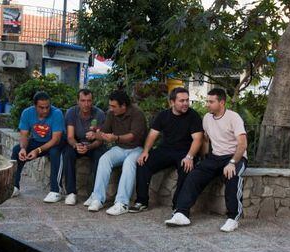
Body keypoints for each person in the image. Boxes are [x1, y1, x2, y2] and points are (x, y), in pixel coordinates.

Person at [165, 88, 248, 232]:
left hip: (234, 156)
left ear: (221, 102)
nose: (207, 104)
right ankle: (181, 213)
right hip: (215, 157)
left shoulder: (233, 117)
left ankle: (233, 218)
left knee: (232, 176)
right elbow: (205, 141)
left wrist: (233, 162)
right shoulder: (207, 118)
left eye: (211, 102)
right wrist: (203, 160)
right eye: (207, 101)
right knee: (194, 175)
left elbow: (243, 144)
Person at [129, 87, 203, 213]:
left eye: (187, 100)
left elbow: (198, 139)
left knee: (186, 168)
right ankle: (141, 201)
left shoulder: (193, 115)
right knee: (143, 163)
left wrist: (190, 157)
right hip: (166, 149)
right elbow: (152, 135)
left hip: (185, 152)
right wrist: (146, 151)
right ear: (172, 102)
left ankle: (178, 206)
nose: (185, 103)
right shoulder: (163, 115)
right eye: (181, 101)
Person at [84, 90, 147, 215]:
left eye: (113, 106)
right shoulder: (111, 114)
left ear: (123, 106)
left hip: (137, 148)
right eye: (110, 106)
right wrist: (95, 135)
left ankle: (122, 203)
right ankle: (98, 198)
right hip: (120, 148)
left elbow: (132, 136)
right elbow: (104, 132)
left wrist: (116, 138)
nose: (111, 109)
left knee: (129, 163)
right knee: (104, 159)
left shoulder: (137, 113)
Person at [11, 91, 66, 202]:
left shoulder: (56, 113)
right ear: (34, 106)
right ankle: (14, 186)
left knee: (55, 152)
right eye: (41, 108)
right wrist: (23, 148)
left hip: (55, 142)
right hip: (37, 141)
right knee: (17, 150)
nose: (45, 110)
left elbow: (56, 140)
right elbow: (24, 136)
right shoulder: (27, 113)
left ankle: (56, 191)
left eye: (47, 107)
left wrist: (38, 150)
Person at [63, 89, 106, 205]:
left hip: (93, 145)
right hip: (77, 143)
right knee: (68, 153)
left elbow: (100, 139)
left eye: (89, 101)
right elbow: (70, 136)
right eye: (83, 101)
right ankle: (71, 192)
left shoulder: (99, 114)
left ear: (92, 101)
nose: (86, 104)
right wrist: (76, 145)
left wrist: (89, 147)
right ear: (78, 101)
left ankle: (94, 193)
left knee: (100, 156)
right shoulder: (71, 112)